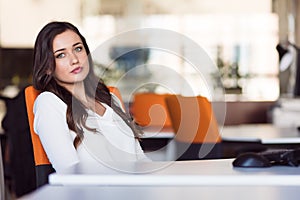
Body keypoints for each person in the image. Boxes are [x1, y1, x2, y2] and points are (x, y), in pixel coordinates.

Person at [32, 21, 149, 172]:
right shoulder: (49, 102)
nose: (74, 59)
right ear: (47, 67)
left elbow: (141, 160)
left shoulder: (110, 99)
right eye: (61, 55)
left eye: (78, 49)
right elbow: (69, 171)